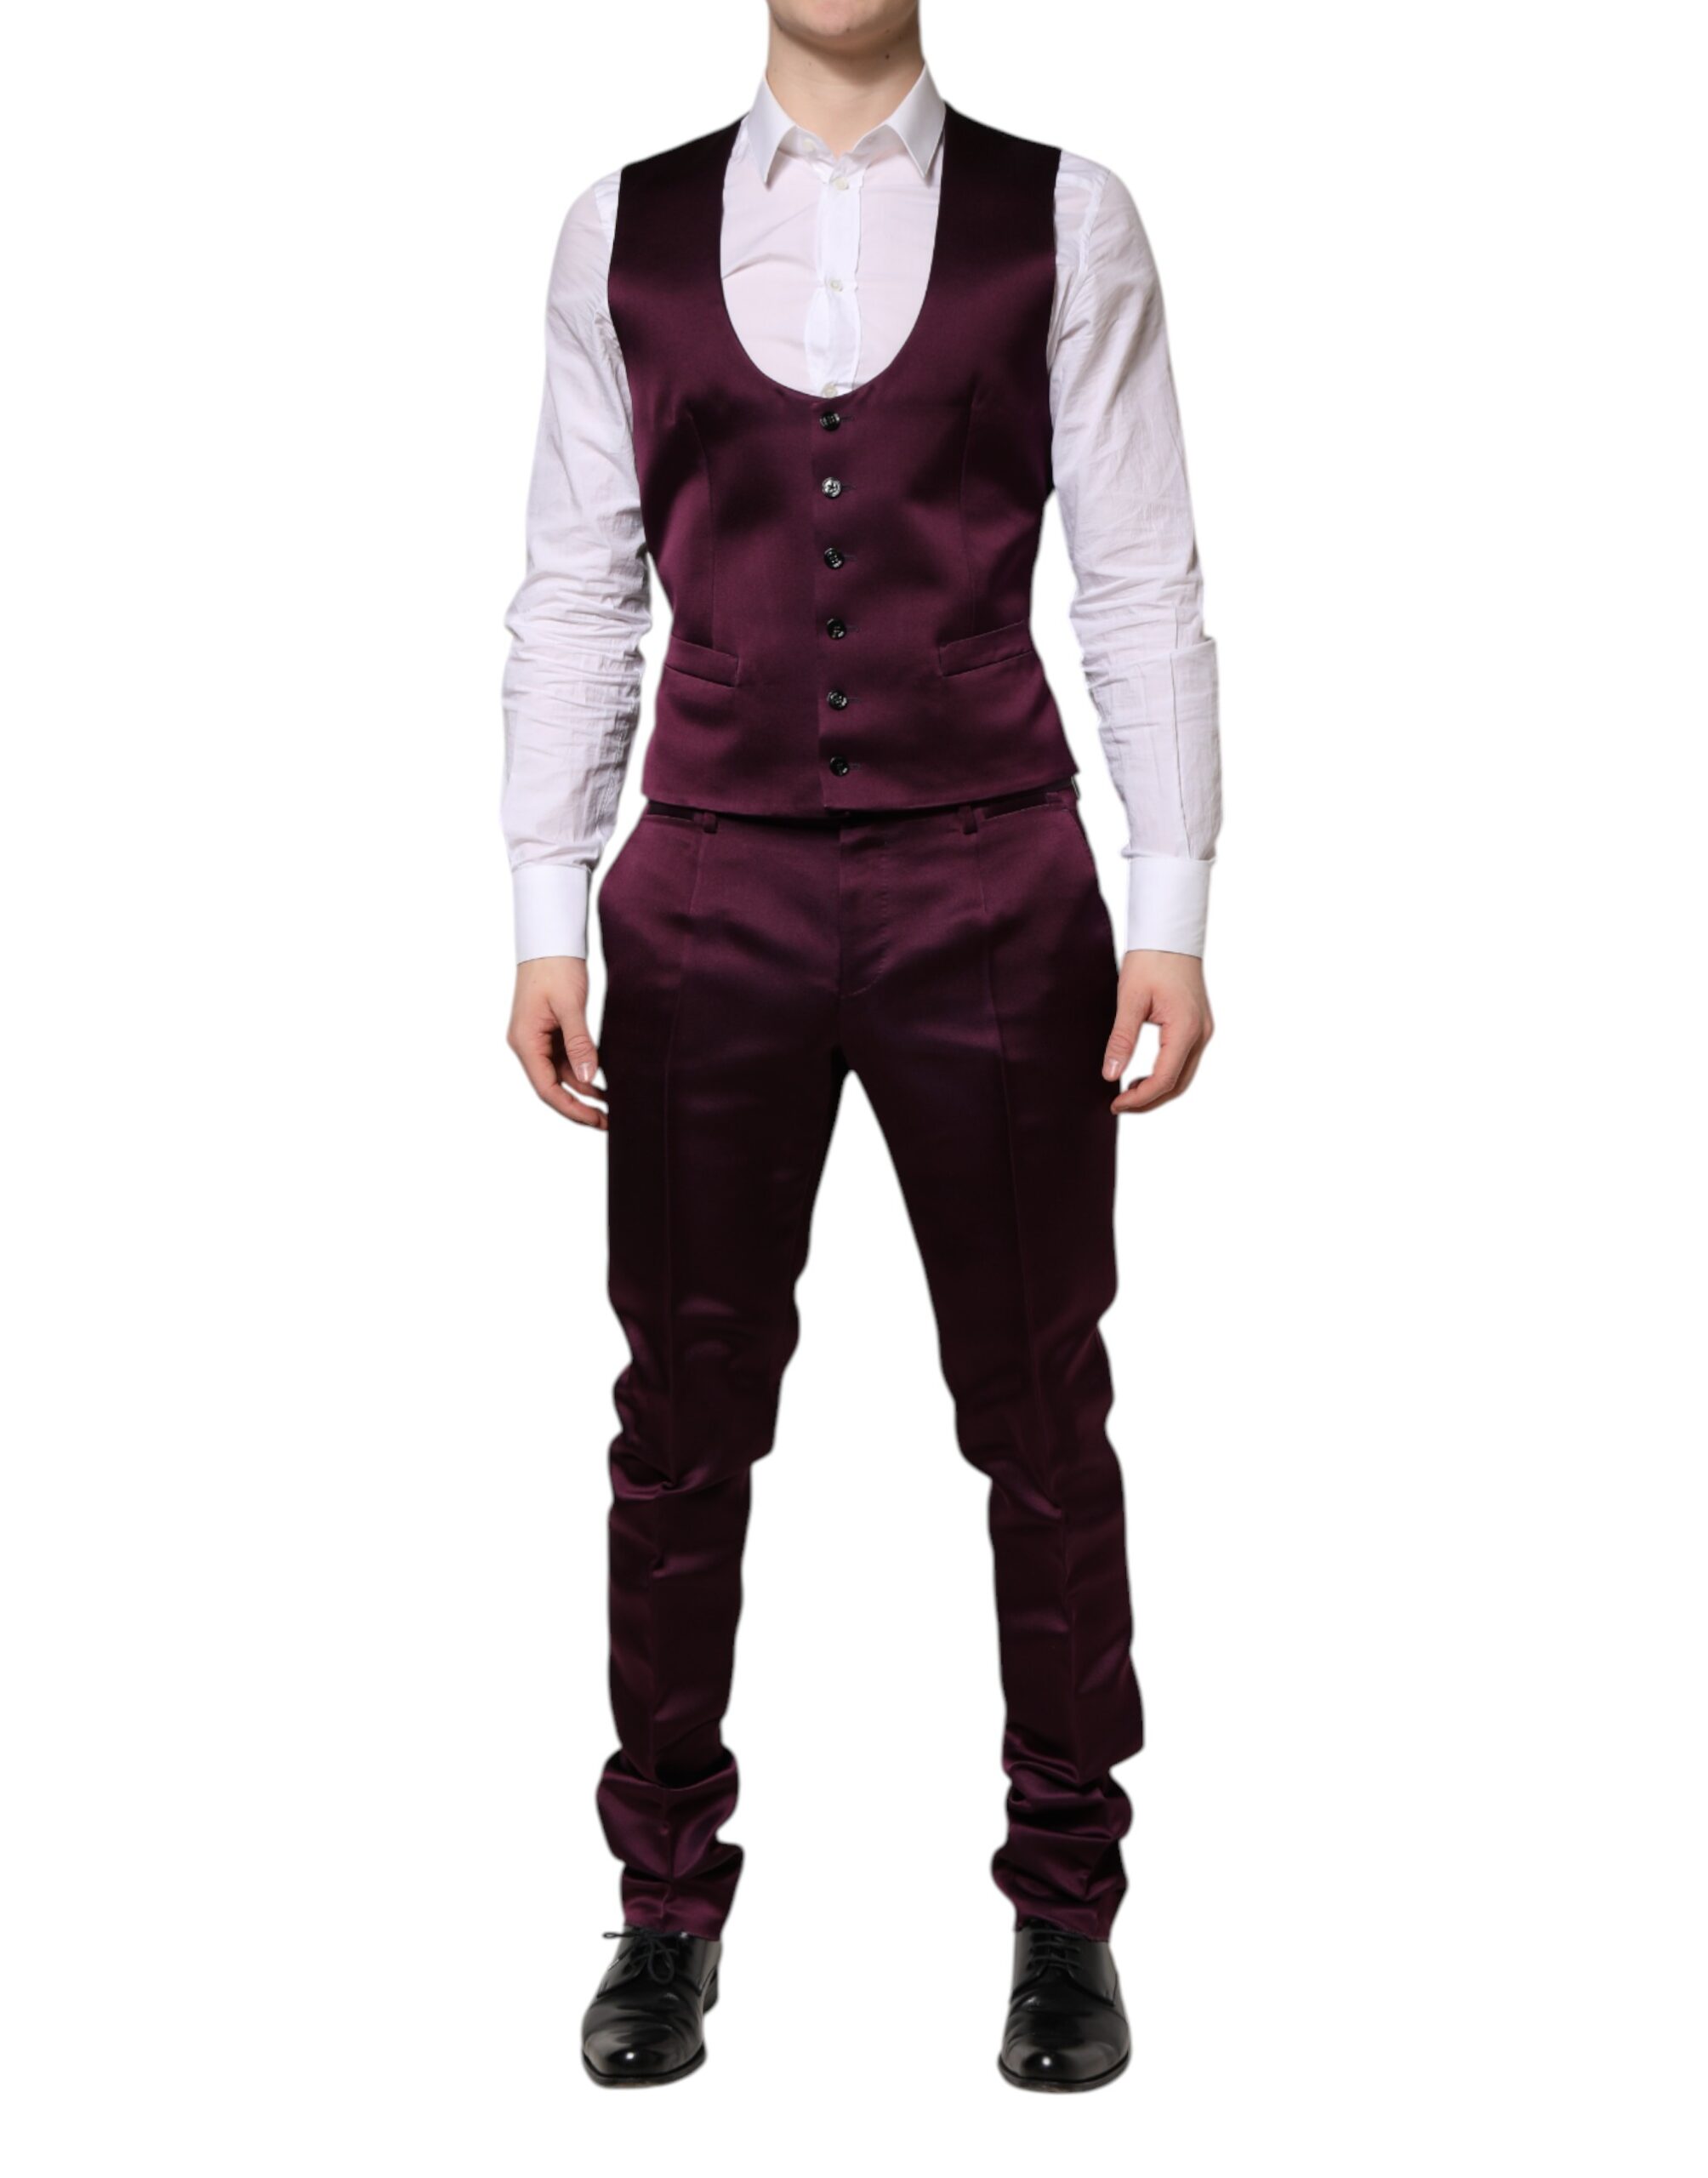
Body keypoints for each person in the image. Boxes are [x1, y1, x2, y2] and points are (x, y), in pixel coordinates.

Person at [500, 0, 1220, 2094]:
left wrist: (1168, 895)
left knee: (1040, 1407)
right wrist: (546, 901)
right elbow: (574, 589)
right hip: (706, 886)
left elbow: (1140, 573)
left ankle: (1065, 1906)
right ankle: (661, 1901)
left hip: (991, 882)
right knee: (679, 1417)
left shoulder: (1066, 218)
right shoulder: (616, 231)